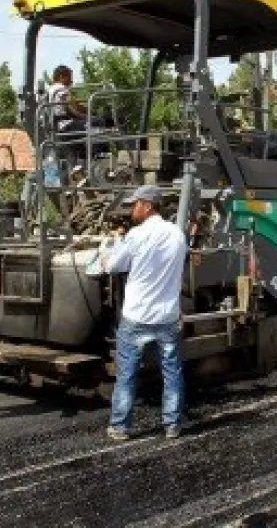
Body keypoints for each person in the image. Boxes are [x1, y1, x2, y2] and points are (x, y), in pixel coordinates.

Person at [101, 185, 189, 441]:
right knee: (171, 371)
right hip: (167, 317)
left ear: (148, 205)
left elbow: (114, 266)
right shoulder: (177, 235)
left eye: (135, 204)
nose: (132, 208)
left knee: (127, 373)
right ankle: (172, 424)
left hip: (137, 317)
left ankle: (120, 426)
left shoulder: (136, 235)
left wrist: (109, 248)